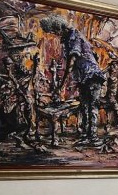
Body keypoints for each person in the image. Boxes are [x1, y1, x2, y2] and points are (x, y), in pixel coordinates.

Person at [39, 13, 106, 146]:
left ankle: (92, 137)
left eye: (55, 32)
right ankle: (86, 135)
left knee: (91, 107)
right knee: (84, 106)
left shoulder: (74, 37)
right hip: (84, 77)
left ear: (60, 28)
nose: (55, 35)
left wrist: (62, 84)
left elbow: (72, 61)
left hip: (92, 77)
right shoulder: (68, 38)